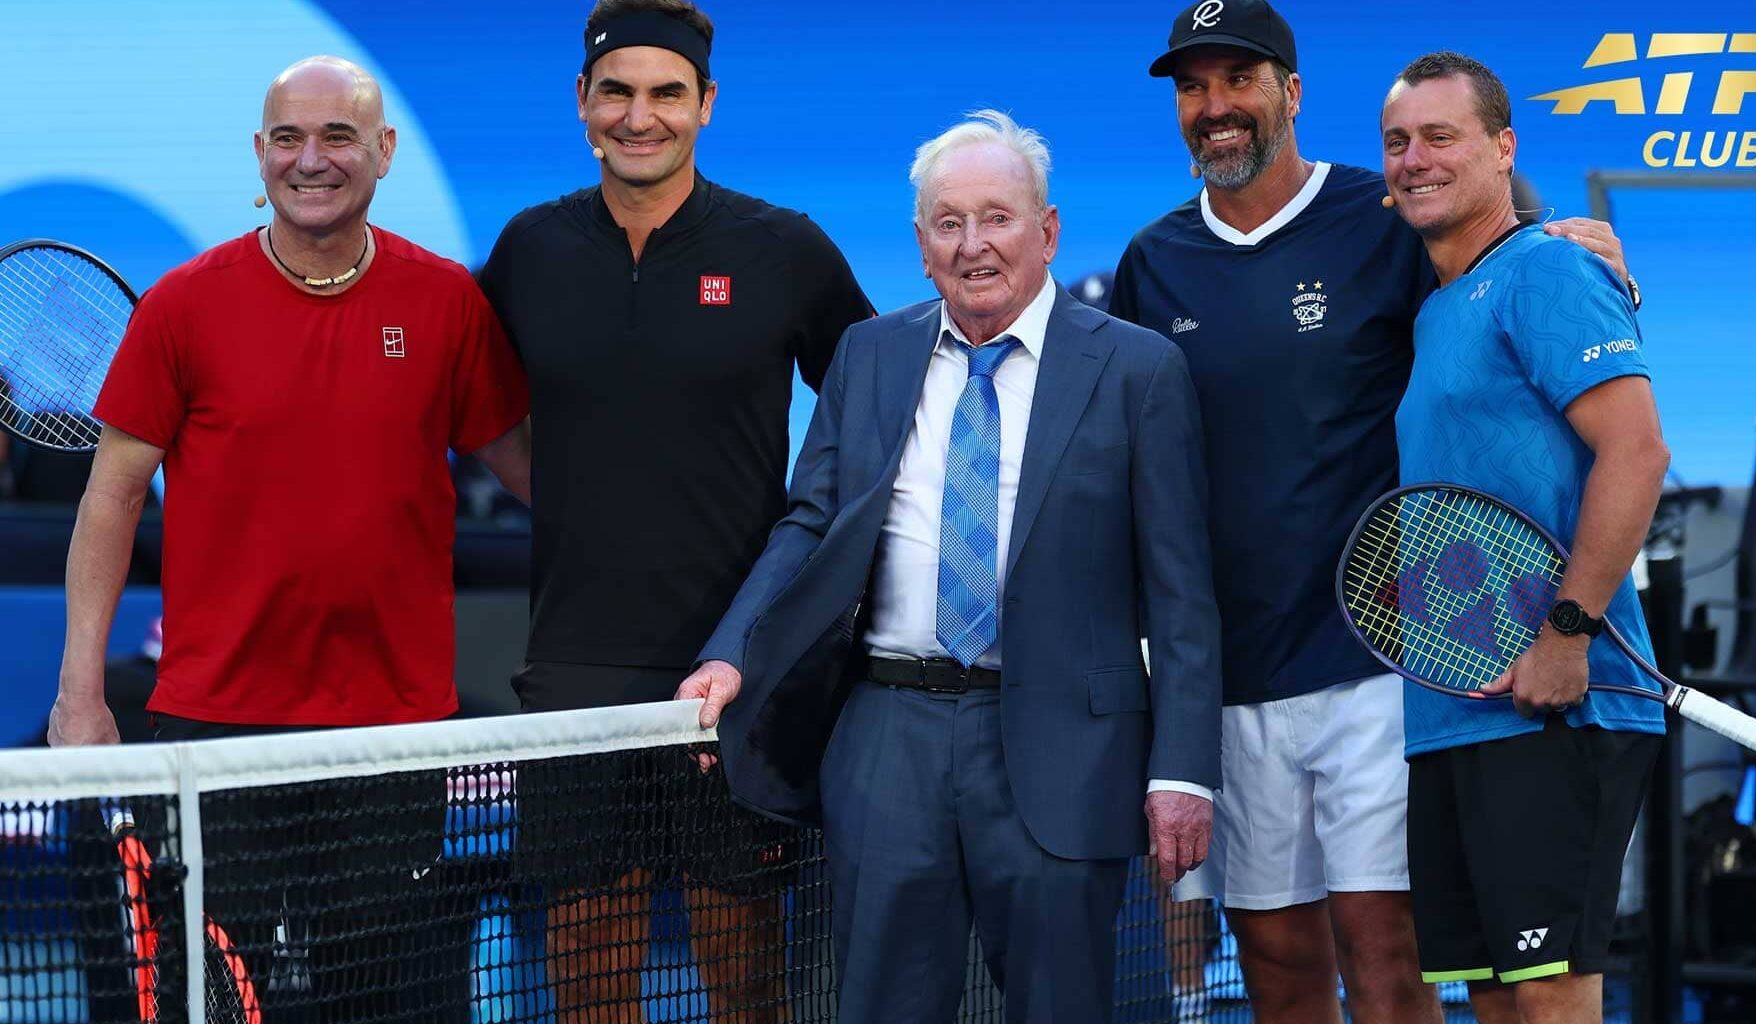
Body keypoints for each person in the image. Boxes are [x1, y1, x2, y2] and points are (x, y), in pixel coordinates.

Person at [1106, 4, 1637, 1022]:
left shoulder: (1384, 217)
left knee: (1389, 953)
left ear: (1292, 94)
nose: (1216, 106)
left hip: (1385, 662)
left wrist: (1588, 257)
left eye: (1240, 80)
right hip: (1232, 676)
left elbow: (1506, 279)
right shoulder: (1151, 262)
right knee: (1276, 966)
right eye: (1194, 87)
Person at [676, 109, 1222, 1024]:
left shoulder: (1140, 371)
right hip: (887, 738)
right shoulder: (868, 354)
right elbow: (809, 522)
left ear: (1048, 231)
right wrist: (733, 649)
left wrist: (1183, 771)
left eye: (998, 218)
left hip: (1069, 748)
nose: (974, 246)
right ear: (921, 245)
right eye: (948, 223)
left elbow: (1182, 595)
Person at [46, 55, 531, 1021]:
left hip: (393, 733)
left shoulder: (445, 302)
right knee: (220, 999)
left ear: (384, 151)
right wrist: (79, 693)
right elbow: (110, 500)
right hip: (216, 730)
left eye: (338, 136)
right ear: (259, 152)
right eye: (288, 138)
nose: (311, 160)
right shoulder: (183, 305)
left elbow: (533, 474)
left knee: (381, 1004)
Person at [473, 0, 872, 1018]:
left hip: (737, 671)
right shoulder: (529, 248)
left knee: (746, 986)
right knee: (589, 986)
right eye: (616, 91)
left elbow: (873, 414)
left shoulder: (784, 248)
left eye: (666, 93)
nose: (638, 116)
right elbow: (477, 412)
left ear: (706, 104)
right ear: (582, 100)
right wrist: (571, 496)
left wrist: (804, 566)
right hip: (575, 670)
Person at [1381, 51, 1669, 1024]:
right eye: (1398, 142)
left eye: (1441, 135)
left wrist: (1567, 634)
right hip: (1455, 712)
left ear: (1504, 148)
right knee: (1498, 1003)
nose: (1415, 158)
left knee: (1550, 999)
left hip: (1560, 707)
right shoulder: (1437, 310)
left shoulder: (1549, 266)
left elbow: (1638, 451)